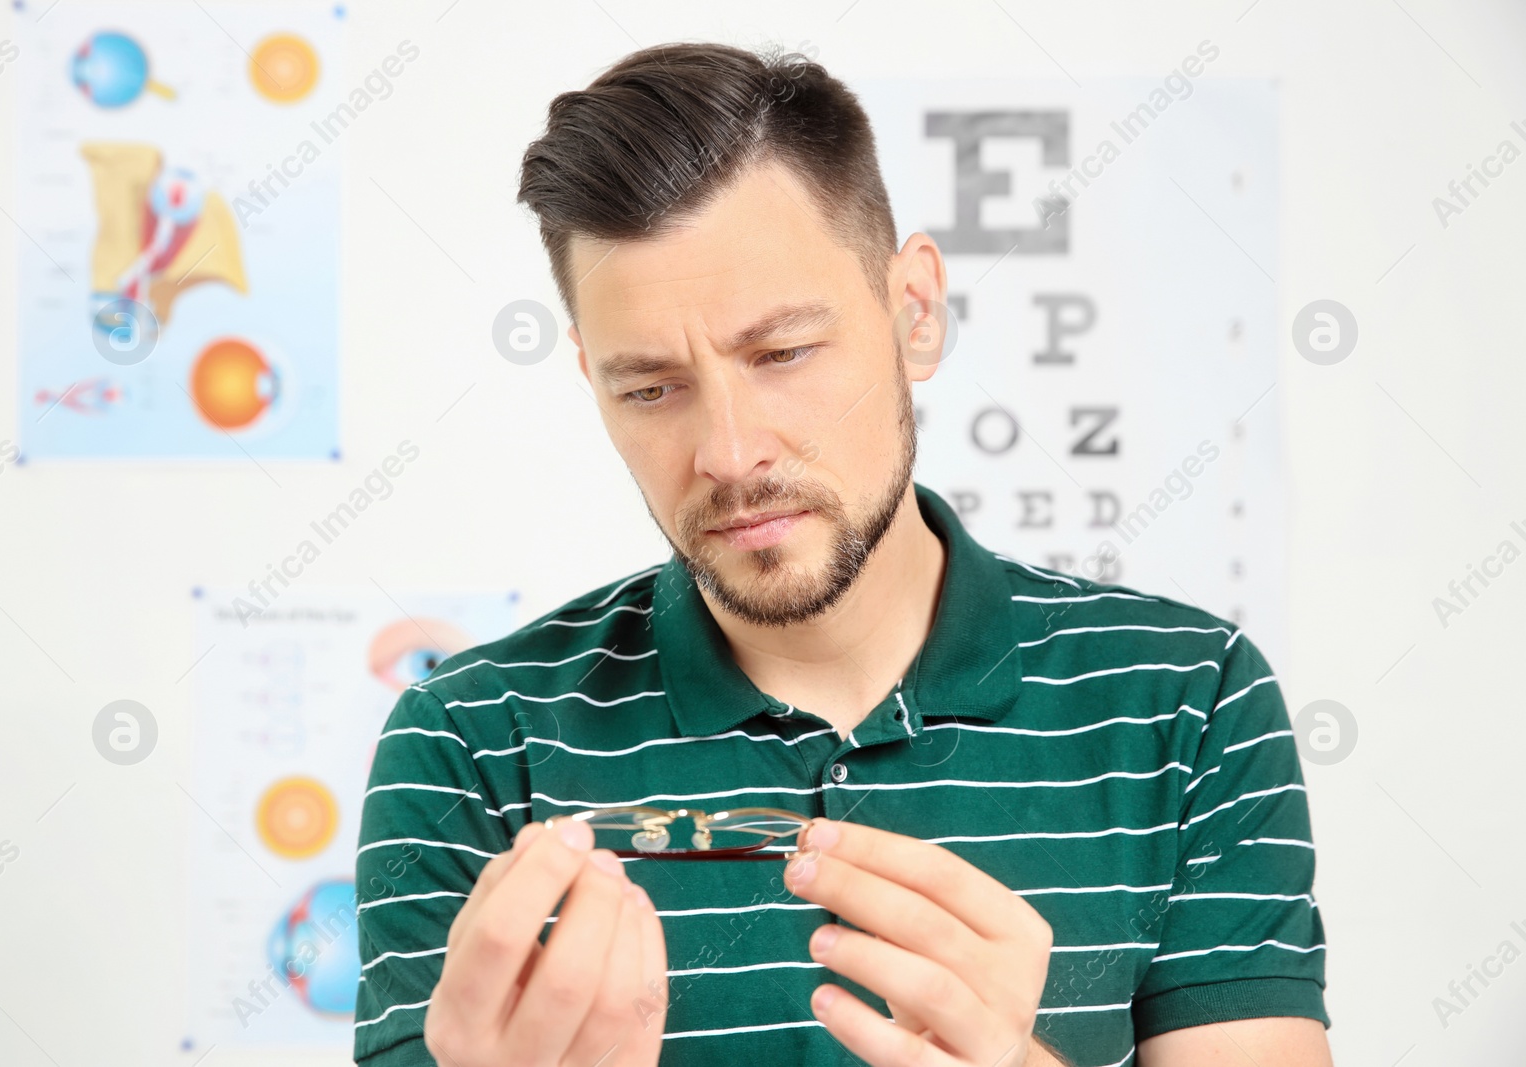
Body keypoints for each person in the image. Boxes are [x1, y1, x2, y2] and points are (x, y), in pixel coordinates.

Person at [353, 41, 1330, 1067]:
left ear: (912, 312)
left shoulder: (1185, 700)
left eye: (781, 353)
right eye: (649, 387)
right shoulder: (470, 739)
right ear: (591, 377)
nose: (729, 456)